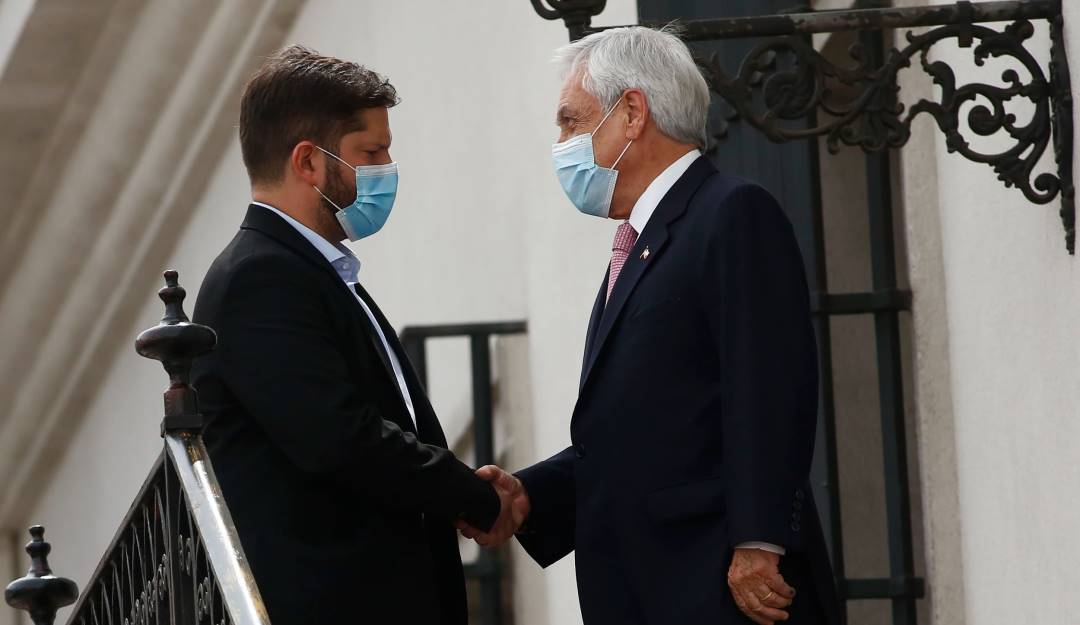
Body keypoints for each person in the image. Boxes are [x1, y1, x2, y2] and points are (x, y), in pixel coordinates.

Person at [460, 27, 842, 625]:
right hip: (647, 587)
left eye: (571, 121)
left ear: (632, 112)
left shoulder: (731, 214)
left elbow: (769, 386)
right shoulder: (642, 241)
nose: (561, 142)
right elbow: (648, 427)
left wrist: (759, 541)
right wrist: (534, 495)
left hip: (719, 587)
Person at [191, 46, 510, 625]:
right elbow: (339, 437)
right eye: (372, 151)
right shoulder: (259, 278)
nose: (388, 167)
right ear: (309, 163)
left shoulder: (312, 270)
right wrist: (471, 494)